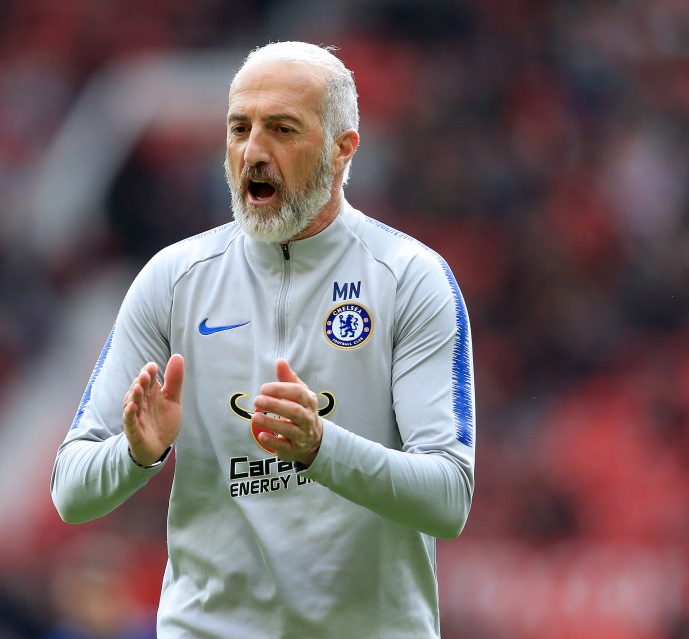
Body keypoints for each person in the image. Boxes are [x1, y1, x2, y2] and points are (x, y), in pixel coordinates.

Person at [51, 41, 475, 639]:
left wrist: (319, 449)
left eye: (281, 129)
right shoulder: (172, 282)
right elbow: (71, 491)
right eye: (239, 128)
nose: (254, 151)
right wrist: (136, 455)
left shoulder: (409, 277)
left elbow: (448, 498)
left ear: (341, 148)